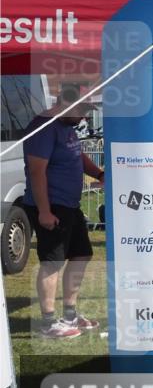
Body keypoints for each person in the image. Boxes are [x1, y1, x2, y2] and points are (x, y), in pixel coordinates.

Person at [22, 86, 104, 339]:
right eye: (81, 110)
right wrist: (44, 211)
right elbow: (37, 171)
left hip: (69, 205)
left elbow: (78, 158)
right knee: (52, 261)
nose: (84, 117)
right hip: (50, 205)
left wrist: (100, 174)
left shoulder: (67, 128)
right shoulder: (43, 128)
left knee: (81, 255)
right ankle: (48, 322)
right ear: (64, 101)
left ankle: (69, 314)